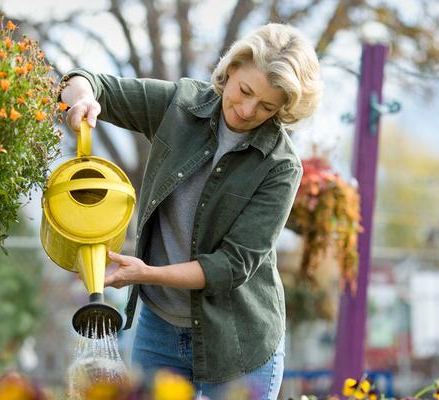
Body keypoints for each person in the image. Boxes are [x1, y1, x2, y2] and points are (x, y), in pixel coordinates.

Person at [59, 23, 322, 399]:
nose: (247, 110)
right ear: (232, 68)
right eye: (244, 91)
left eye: (266, 106)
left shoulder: (280, 166)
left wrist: (147, 274)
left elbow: (231, 265)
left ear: (283, 109)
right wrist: (84, 98)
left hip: (237, 343)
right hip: (159, 332)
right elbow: (84, 80)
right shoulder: (178, 107)